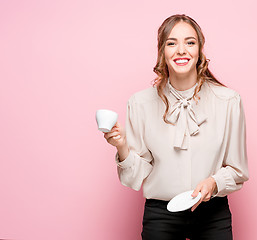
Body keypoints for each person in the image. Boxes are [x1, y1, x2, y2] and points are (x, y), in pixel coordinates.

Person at [104, 14, 249, 240]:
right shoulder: (140, 103)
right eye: (172, 43)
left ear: (200, 49)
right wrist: (122, 146)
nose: (181, 50)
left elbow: (237, 168)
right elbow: (134, 177)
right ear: (162, 51)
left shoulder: (229, 101)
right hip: (161, 213)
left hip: (213, 212)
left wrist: (213, 182)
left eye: (190, 42)